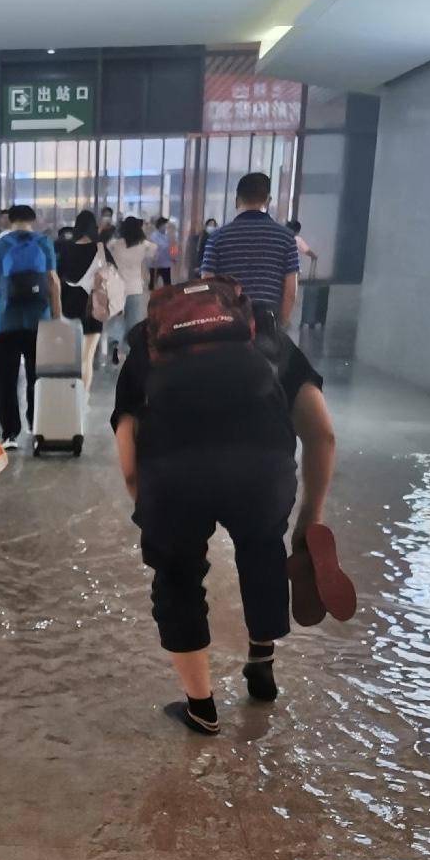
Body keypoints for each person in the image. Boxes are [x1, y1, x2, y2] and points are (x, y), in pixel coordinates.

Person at [111, 284, 336, 735]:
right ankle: (261, 663)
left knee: (176, 576)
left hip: (173, 473)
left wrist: (150, 509)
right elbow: (322, 434)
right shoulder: (268, 336)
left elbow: (128, 448)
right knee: (261, 549)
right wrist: (311, 515)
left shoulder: (148, 344)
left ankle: (201, 708)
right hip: (262, 468)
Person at [0, 204, 61, 450]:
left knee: (6, 380)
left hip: (5, 323)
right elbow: (53, 283)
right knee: (38, 378)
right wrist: (57, 317)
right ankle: (37, 427)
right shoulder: (44, 243)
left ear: (8, 221)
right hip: (39, 323)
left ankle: (10, 434)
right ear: (33, 220)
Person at [202, 172, 299, 325]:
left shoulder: (217, 237)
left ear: (236, 201)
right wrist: (282, 323)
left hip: (230, 323)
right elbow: (290, 291)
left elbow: (207, 284)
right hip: (269, 321)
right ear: (268, 200)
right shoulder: (286, 238)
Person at [57, 209, 115, 393]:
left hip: (68, 307)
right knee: (87, 358)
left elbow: (56, 277)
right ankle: (83, 398)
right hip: (93, 306)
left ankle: (69, 397)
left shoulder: (65, 248)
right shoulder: (100, 249)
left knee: (69, 357)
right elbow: (113, 276)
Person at [109, 215, 157, 345]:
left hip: (117, 288)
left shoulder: (115, 245)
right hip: (135, 288)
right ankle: (129, 351)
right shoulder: (144, 245)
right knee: (134, 323)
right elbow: (154, 251)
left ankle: (114, 348)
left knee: (115, 320)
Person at [148, 216, 173, 289]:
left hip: (165, 264)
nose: (166, 227)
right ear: (160, 226)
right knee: (152, 285)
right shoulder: (154, 236)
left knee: (168, 284)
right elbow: (156, 248)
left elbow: (171, 247)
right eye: (165, 225)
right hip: (155, 264)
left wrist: (173, 257)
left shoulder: (166, 236)